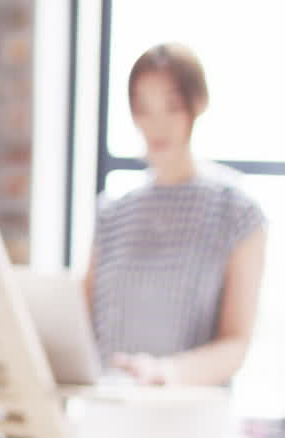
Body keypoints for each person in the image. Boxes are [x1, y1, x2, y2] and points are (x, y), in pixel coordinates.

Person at [87, 43, 267, 386]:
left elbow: (236, 342)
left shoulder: (237, 213)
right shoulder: (113, 214)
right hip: (112, 409)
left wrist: (167, 373)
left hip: (191, 415)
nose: (156, 123)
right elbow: (80, 321)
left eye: (171, 106)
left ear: (196, 106)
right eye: (143, 107)